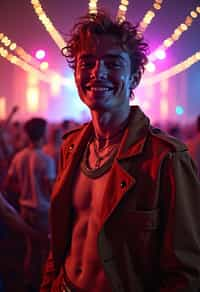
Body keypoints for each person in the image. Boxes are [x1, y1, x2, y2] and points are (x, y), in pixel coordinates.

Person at [41, 11, 200, 292]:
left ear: (134, 76)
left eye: (112, 63)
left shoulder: (165, 157)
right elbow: (60, 241)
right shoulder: (70, 147)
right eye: (86, 63)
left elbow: (184, 270)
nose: (97, 73)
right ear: (76, 73)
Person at [4, 117, 56, 291]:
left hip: (25, 210)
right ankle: (42, 285)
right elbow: (51, 189)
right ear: (43, 133)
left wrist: (26, 191)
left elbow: (9, 183)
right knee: (45, 252)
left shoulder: (19, 157)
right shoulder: (46, 160)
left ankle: (27, 283)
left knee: (30, 249)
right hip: (43, 211)